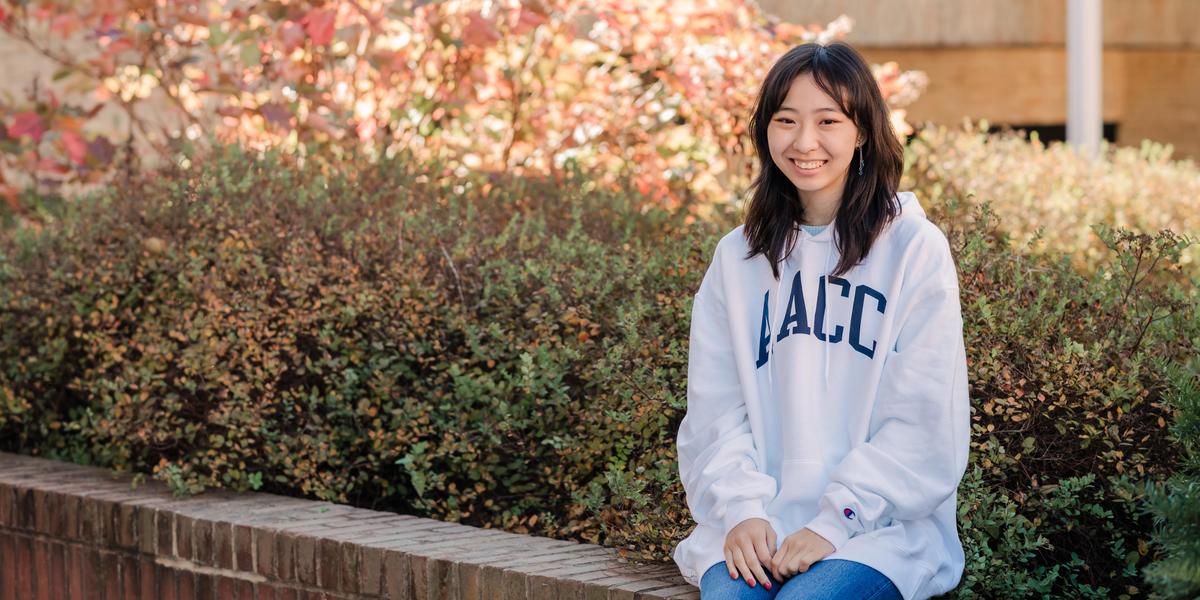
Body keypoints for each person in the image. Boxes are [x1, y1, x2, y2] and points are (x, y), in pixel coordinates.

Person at [672, 41, 970, 600]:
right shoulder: (737, 260)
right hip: (756, 522)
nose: (804, 142)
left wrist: (835, 522)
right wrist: (740, 510)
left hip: (877, 531)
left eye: (827, 120)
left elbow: (926, 417)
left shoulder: (912, 248)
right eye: (785, 121)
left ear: (862, 132)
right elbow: (715, 411)